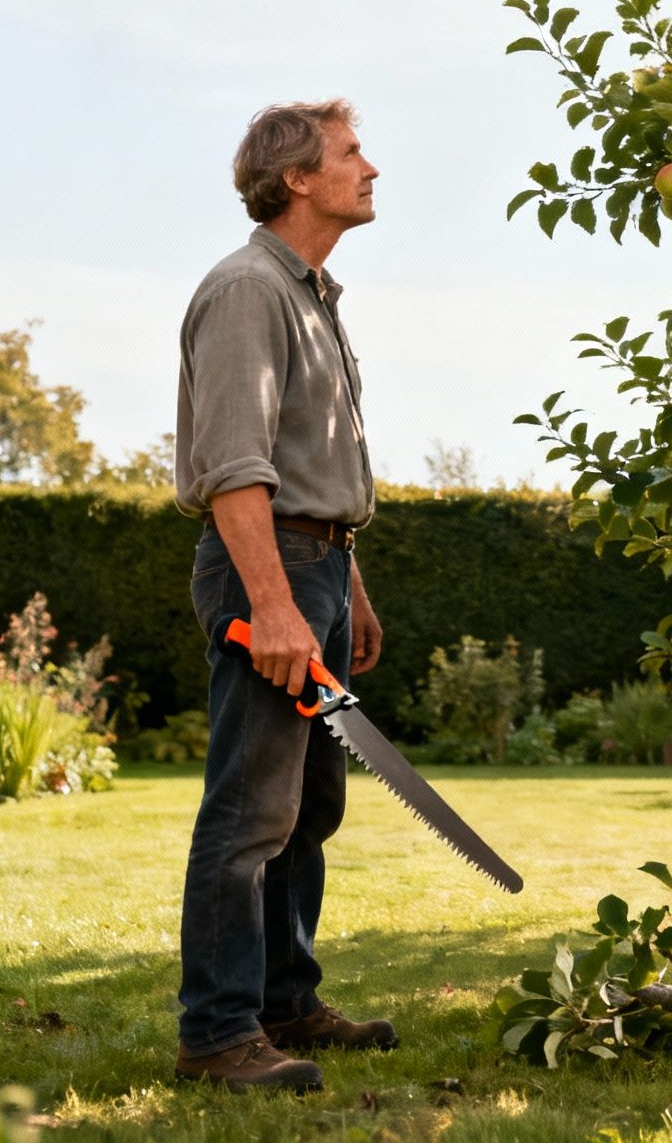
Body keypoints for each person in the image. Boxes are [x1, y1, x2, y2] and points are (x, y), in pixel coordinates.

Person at [170, 98, 392, 1093]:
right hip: (270, 572)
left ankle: (283, 999)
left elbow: (313, 467)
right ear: (296, 177)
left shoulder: (312, 296)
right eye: (350, 154)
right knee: (250, 812)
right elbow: (235, 469)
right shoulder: (247, 292)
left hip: (316, 566)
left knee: (307, 805)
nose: (369, 167)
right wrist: (275, 602)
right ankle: (218, 1036)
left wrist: (347, 579)